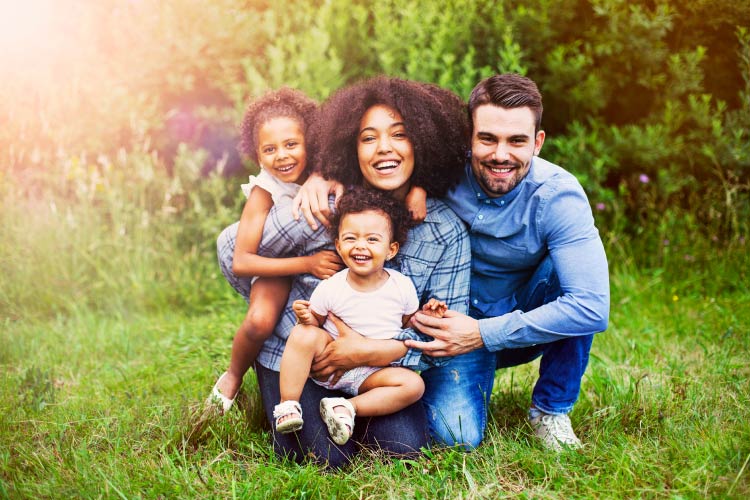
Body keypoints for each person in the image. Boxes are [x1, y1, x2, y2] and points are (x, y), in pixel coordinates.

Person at [295, 74, 610, 452]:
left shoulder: (558, 197)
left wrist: (483, 333)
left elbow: (592, 307)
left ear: (538, 143)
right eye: (488, 138)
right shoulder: (442, 171)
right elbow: (387, 149)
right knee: (455, 435)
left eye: (517, 141)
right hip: (445, 320)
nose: (500, 155)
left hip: (511, 322)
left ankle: (551, 410)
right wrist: (320, 173)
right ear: (468, 140)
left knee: (573, 281)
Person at [216, 76, 471, 467]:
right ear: (350, 146)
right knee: (326, 460)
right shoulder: (325, 204)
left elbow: (445, 336)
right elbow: (232, 249)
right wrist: (275, 302)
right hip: (303, 356)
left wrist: (367, 350)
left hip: (381, 368)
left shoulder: (445, 230)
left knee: (400, 451)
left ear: (422, 142)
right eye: (368, 138)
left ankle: (348, 412)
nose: (384, 148)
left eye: (399, 135)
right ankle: (275, 391)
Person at [273, 187, 447, 446]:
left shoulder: (402, 286)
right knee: (302, 334)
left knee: (413, 386)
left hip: (373, 373)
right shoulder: (331, 287)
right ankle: (288, 404)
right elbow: (316, 327)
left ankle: (345, 407)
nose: (360, 246)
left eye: (372, 239)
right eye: (351, 238)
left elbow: (407, 324)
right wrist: (306, 317)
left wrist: (426, 314)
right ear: (339, 246)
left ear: (391, 250)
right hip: (331, 364)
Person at [207, 88, 344, 413]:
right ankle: (234, 373)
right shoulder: (264, 190)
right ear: (257, 155)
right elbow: (242, 261)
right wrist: (307, 264)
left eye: (291, 145)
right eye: (269, 149)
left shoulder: (324, 173)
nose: (281, 156)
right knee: (259, 321)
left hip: (319, 268)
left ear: (309, 142)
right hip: (275, 265)